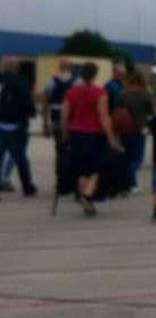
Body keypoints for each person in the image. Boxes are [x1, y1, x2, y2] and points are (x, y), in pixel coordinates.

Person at [62, 62, 122, 216]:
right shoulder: (100, 93)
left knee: (81, 169)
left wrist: (65, 132)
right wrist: (110, 138)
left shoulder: (71, 92)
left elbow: (65, 115)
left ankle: (83, 195)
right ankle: (88, 195)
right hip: (94, 135)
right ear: (95, 75)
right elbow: (104, 117)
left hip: (76, 133)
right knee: (96, 168)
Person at [0, 57, 38, 197]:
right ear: (16, 68)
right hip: (17, 125)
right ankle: (27, 188)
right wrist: (32, 113)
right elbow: (28, 105)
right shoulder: (21, 83)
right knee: (20, 157)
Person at [41, 58, 77, 197]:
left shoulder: (51, 82)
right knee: (72, 154)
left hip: (56, 122)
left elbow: (45, 105)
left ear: (60, 67)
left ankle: (61, 184)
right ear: (71, 67)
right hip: (73, 123)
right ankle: (72, 183)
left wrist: (45, 124)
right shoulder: (77, 82)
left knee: (60, 153)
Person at [119, 71, 154, 193]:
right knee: (137, 158)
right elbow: (150, 113)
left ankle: (124, 184)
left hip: (123, 129)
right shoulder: (145, 95)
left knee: (126, 157)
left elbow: (116, 111)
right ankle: (132, 184)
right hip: (140, 129)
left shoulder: (122, 95)